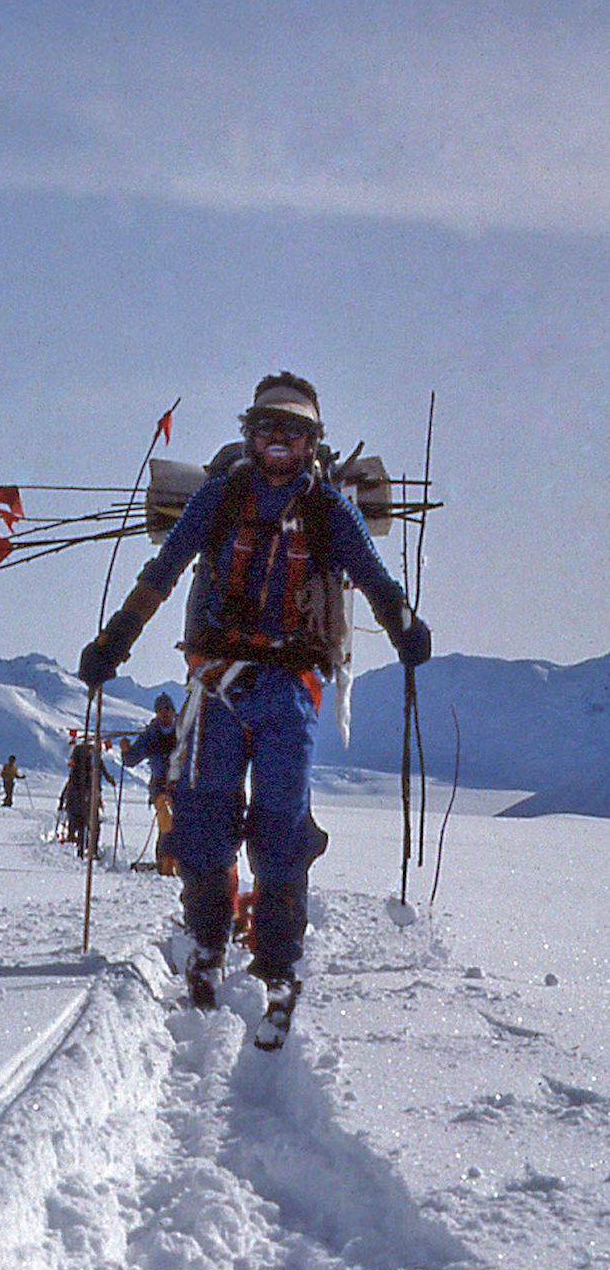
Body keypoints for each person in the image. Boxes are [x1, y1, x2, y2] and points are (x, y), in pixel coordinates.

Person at [79, 372, 431, 1026]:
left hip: (291, 685)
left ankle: (276, 958)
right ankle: (208, 944)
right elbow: (164, 570)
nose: (279, 441)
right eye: (268, 428)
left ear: (311, 441)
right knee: (204, 817)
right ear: (251, 433)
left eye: (293, 431)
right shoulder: (218, 498)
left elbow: (373, 577)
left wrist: (404, 624)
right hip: (219, 681)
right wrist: (116, 638)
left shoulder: (331, 511)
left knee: (280, 824)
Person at [121, 694, 179, 875]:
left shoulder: (184, 730)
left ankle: (178, 863)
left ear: (173, 711)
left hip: (182, 787)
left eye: (168, 709)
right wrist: (126, 751)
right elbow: (131, 760)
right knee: (167, 822)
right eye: (161, 710)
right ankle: (165, 864)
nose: (165, 713)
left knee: (182, 825)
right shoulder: (150, 735)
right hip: (160, 787)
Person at [59, 739, 114, 859]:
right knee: (93, 824)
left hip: (76, 799)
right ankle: (92, 849)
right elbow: (103, 774)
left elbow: (69, 785)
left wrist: (62, 801)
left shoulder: (76, 771)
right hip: (89, 798)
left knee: (79, 823)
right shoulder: (94, 765)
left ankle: (79, 846)